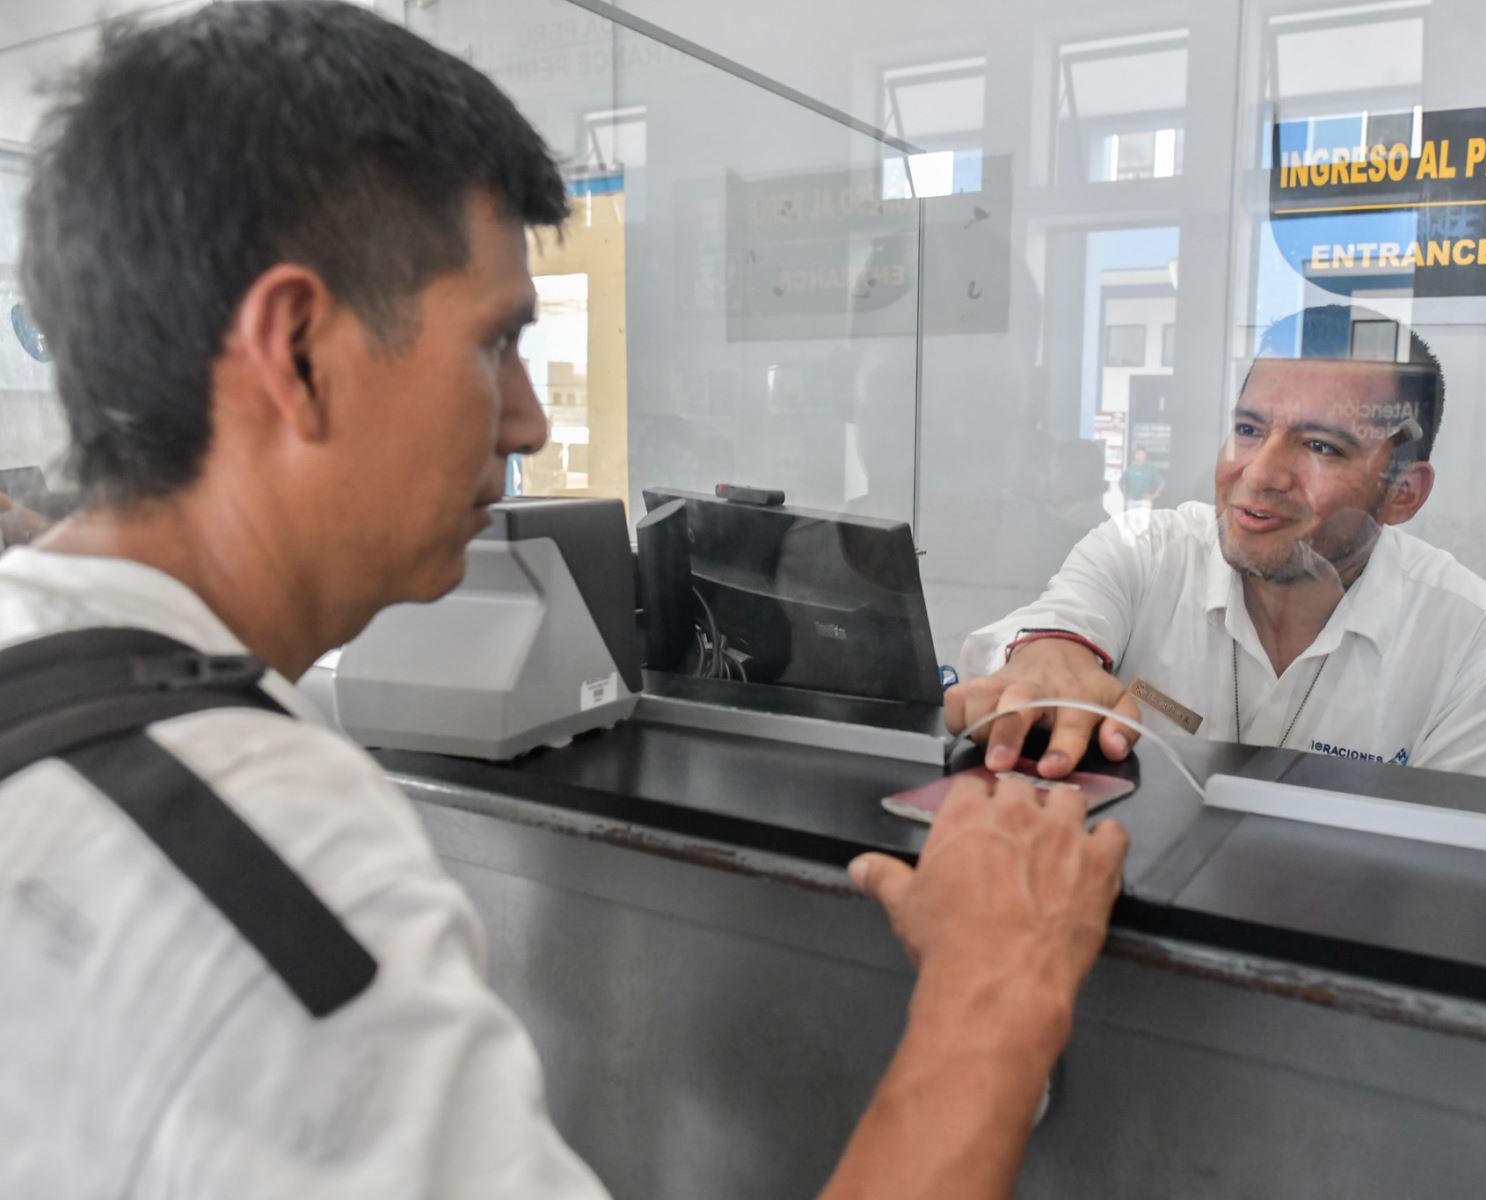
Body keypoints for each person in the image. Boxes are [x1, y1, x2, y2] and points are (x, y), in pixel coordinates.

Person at [0, 5, 1127, 1197]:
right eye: (494, 343)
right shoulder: (275, 852)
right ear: (298, 349)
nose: (529, 420)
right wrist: (994, 993)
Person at [950, 305, 1486, 780]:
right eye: (1249, 429)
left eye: (1322, 447)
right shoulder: (1144, 552)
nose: (1259, 474)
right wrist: (1051, 654)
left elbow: (1453, 864)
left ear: (1402, 493)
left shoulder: (1476, 643)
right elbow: (1059, 627)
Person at [1119, 446, 1165, 510]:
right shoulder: (1130, 469)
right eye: (1137, 454)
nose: (1139, 456)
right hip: (1131, 501)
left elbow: (1162, 483)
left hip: (1145, 501)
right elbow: (1121, 482)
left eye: (1141, 454)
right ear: (1134, 455)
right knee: (1131, 517)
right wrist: (1125, 495)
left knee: (1144, 516)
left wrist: (1153, 496)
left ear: (1145, 455)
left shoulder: (1150, 469)